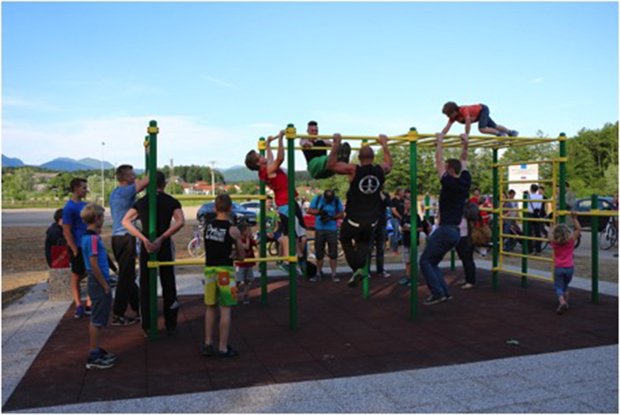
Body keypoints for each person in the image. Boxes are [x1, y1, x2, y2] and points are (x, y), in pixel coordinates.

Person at [122, 171, 185, 336]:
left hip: (147, 246)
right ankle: (171, 324)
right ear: (164, 184)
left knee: (146, 283)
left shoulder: (142, 201)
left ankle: (148, 326)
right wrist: (162, 237)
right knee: (168, 282)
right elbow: (180, 221)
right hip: (163, 245)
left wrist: (144, 238)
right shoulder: (171, 201)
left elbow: (125, 221)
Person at [326, 133, 392, 287]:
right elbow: (389, 164)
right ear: (373, 157)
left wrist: (336, 144)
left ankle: (357, 269)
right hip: (372, 221)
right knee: (363, 243)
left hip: (354, 220)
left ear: (359, 158)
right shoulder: (380, 169)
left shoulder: (353, 169)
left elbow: (331, 165)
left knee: (345, 238)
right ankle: (360, 269)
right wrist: (384, 144)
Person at [419, 132, 471, 305]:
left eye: (447, 167)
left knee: (425, 261)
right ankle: (444, 292)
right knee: (432, 262)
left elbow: (438, 163)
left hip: (446, 229)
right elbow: (463, 162)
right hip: (455, 231)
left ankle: (437, 293)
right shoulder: (465, 180)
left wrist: (439, 143)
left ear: (450, 170)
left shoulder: (449, 182)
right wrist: (465, 144)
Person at [245, 131, 307, 274]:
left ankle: (298, 256)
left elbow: (272, 157)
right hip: (286, 203)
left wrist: (267, 145)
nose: (263, 156)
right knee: (291, 234)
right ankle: (288, 260)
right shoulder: (267, 170)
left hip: (288, 201)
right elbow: (280, 158)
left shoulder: (264, 170)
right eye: (260, 156)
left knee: (295, 232)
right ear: (258, 163)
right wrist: (280, 139)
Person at [202, 194, 245, 358]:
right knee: (225, 309)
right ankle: (223, 347)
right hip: (226, 270)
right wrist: (237, 244)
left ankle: (208, 343)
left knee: (210, 307)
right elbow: (241, 256)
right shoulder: (232, 229)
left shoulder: (208, 226)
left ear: (215, 208)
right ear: (231, 208)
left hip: (210, 270)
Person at [109, 164, 148, 326]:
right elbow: (148, 181)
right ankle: (118, 314)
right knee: (125, 278)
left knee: (129, 276)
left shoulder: (115, 192)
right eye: (132, 175)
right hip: (125, 237)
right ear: (125, 178)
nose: (135, 177)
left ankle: (138, 307)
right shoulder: (126, 191)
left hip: (117, 238)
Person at [80, 203, 117, 369]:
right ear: (97, 219)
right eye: (102, 216)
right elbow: (94, 264)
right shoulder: (93, 239)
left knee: (99, 316)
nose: (103, 219)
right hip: (97, 280)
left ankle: (96, 349)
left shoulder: (88, 237)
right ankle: (93, 355)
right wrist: (105, 284)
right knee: (97, 318)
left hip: (96, 279)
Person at [62, 178, 91, 318]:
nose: (86, 190)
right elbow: (66, 230)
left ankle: (90, 303)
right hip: (78, 246)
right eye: (84, 188)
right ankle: (78, 305)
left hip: (89, 244)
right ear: (76, 188)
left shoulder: (86, 205)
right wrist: (74, 248)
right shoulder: (69, 207)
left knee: (92, 273)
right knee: (76, 276)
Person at [307, 189, 344, 282]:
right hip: (319, 229)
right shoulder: (318, 198)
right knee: (319, 253)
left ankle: (334, 274)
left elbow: (341, 214)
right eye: (327, 199)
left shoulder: (336, 200)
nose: (328, 201)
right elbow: (310, 210)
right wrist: (320, 212)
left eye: (330, 200)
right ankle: (318, 273)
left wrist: (331, 217)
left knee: (333, 253)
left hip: (332, 229)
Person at [549, 213, 581, 315]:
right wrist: (574, 218)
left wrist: (553, 224)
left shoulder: (554, 243)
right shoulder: (571, 241)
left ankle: (562, 301)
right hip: (569, 268)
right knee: (565, 286)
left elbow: (549, 234)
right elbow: (578, 229)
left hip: (559, 268)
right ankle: (565, 303)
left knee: (558, 286)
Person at [441, 102, 518, 137]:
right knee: (494, 126)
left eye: (448, 114)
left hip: (482, 109)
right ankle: (510, 132)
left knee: (482, 129)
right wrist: (441, 135)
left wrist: (466, 134)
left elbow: (468, 123)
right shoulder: (453, 117)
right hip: (479, 115)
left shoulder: (463, 110)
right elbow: (447, 126)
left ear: (454, 111)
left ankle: (500, 134)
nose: (448, 117)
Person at [398, 198, 426, 286]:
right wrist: (403, 229)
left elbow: (421, 228)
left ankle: (414, 278)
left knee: (413, 260)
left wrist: (411, 229)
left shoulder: (415, 216)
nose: (406, 205)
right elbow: (401, 227)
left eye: (408, 204)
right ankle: (408, 277)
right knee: (407, 261)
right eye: (405, 204)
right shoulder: (404, 216)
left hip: (413, 242)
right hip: (405, 241)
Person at [369, 190, 391, 279]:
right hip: (370, 225)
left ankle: (380, 270)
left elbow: (388, 203)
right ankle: (367, 271)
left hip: (381, 224)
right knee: (368, 249)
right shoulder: (369, 193)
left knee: (380, 249)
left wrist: (380, 193)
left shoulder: (384, 194)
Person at [235, 222, 256, 304]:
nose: (250, 231)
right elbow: (246, 247)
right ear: (243, 232)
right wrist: (248, 238)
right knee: (238, 281)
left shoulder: (250, 239)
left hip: (249, 263)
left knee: (248, 280)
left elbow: (256, 243)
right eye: (248, 230)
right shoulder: (239, 240)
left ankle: (246, 295)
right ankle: (234, 295)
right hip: (240, 264)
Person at [455, 215, 476, 289]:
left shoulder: (469, 206)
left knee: (468, 259)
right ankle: (467, 278)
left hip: (467, 237)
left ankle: (471, 281)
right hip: (459, 235)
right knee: (463, 258)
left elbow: (474, 214)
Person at [527, 184, 545, 254]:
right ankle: (538, 248)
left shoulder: (528, 196)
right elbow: (540, 206)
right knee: (537, 232)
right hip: (537, 214)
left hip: (530, 214)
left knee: (529, 232)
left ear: (531, 189)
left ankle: (530, 249)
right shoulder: (541, 197)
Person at [389, 189, 405, 254]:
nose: (403, 194)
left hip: (402, 219)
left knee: (401, 234)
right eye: (402, 192)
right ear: (399, 193)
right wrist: (400, 216)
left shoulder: (402, 200)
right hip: (395, 219)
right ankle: (394, 250)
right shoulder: (393, 200)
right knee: (395, 234)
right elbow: (393, 210)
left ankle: (399, 248)